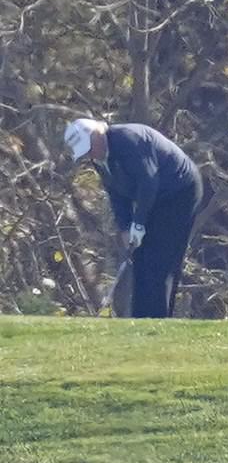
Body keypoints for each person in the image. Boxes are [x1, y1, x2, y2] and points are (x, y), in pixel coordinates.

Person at [64, 119, 203, 318]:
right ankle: (141, 318)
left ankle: (157, 320)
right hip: (157, 198)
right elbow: (117, 194)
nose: (89, 155)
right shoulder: (101, 159)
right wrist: (125, 227)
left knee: (160, 258)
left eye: (89, 149)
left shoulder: (128, 139)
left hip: (180, 192)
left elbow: (148, 182)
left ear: (98, 134)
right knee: (140, 258)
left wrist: (138, 223)